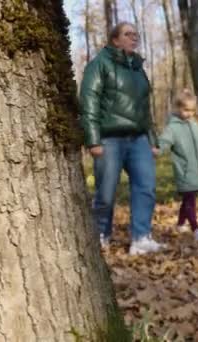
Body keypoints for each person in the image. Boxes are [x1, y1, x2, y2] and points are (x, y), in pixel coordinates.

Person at [79, 22, 164, 255]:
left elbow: (145, 110)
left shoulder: (138, 70)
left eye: (136, 34)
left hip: (139, 140)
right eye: (128, 34)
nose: (134, 38)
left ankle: (141, 238)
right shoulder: (98, 65)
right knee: (105, 193)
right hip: (109, 139)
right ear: (115, 40)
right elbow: (89, 102)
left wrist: (153, 140)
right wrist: (93, 140)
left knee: (146, 187)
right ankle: (101, 235)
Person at [158, 89, 198, 242]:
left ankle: (180, 224)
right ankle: (196, 228)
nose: (189, 113)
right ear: (177, 108)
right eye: (185, 110)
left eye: (192, 110)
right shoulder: (172, 128)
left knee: (189, 198)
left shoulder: (196, 126)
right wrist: (155, 149)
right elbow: (163, 142)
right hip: (185, 171)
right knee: (190, 199)